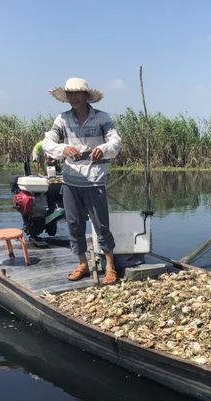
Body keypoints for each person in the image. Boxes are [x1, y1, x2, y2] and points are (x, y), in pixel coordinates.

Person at [43, 77, 122, 285]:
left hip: (95, 180)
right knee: (74, 223)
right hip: (71, 180)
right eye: (69, 94)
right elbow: (48, 142)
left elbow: (115, 141)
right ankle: (82, 263)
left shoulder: (102, 118)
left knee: (101, 224)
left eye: (77, 93)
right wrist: (62, 149)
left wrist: (103, 149)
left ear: (86, 96)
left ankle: (110, 266)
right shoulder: (62, 119)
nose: (73, 97)